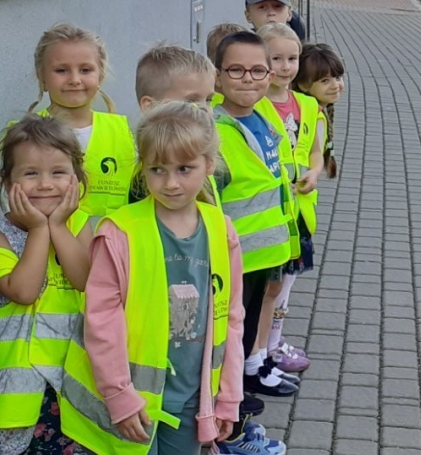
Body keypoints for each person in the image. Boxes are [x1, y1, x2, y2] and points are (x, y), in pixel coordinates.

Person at [60, 102, 250, 455]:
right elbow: (101, 319)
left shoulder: (220, 230)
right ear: (142, 168)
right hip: (129, 402)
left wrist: (228, 397)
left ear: (209, 165)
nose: (171, 182)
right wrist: (119, 395)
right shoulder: (119, 231)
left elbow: (231, 317)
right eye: (157, 169)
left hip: (193, 399)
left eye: (184, 168)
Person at [133, 44, 286, 454]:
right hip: (151, 363)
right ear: (149, 107)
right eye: (191, 101)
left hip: (200, 345)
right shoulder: (143, 196)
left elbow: (230, 314)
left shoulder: (204, 186)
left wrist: (227, 395)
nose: (204, 111)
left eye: (206, 100)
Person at [211, 32, 297, 400]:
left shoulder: (263, 116)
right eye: (236, 70)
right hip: (236, 254)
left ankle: (251, 370)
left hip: (268, 247)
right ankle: (233, 394)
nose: (248, 78)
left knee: (254, 320)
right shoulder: (213, 129)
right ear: (217, 77)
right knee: (233, 326)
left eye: (258, 70)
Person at [0, 114, 92, 455]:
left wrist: (59, 227)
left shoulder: (80, 225)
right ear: (7, 183)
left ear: (76, 179)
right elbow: (22, 292)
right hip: (19, 392)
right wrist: (40, 230)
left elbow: (85, 280)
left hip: (69, 383)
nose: (45, 184)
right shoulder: (3, 235)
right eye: (30, 174)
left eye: (58, 173)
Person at [253, 24, 323, 375]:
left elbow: (315, 151)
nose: (285, 66)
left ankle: (272, 345)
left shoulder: (308, 105)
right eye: (275, 58)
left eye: (292, 58)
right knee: (266, 289)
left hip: (298, 212)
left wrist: (314, 172)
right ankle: (260, 351)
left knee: (284, 287)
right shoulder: (253, 104)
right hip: (267, 212)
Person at [27, 23, 136, 225]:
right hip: (48, 252)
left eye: (85, 70)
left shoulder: (124, 133)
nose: (75, 79)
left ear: (100, 75)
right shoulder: (25, 135)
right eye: (61, 70)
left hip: (113, 251)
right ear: (41, 76)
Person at [294, 42, 346, 183]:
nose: (335, 86)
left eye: (338, 77)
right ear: (303, 84)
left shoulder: (318, 113)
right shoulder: (311, 117)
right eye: (325, 81)